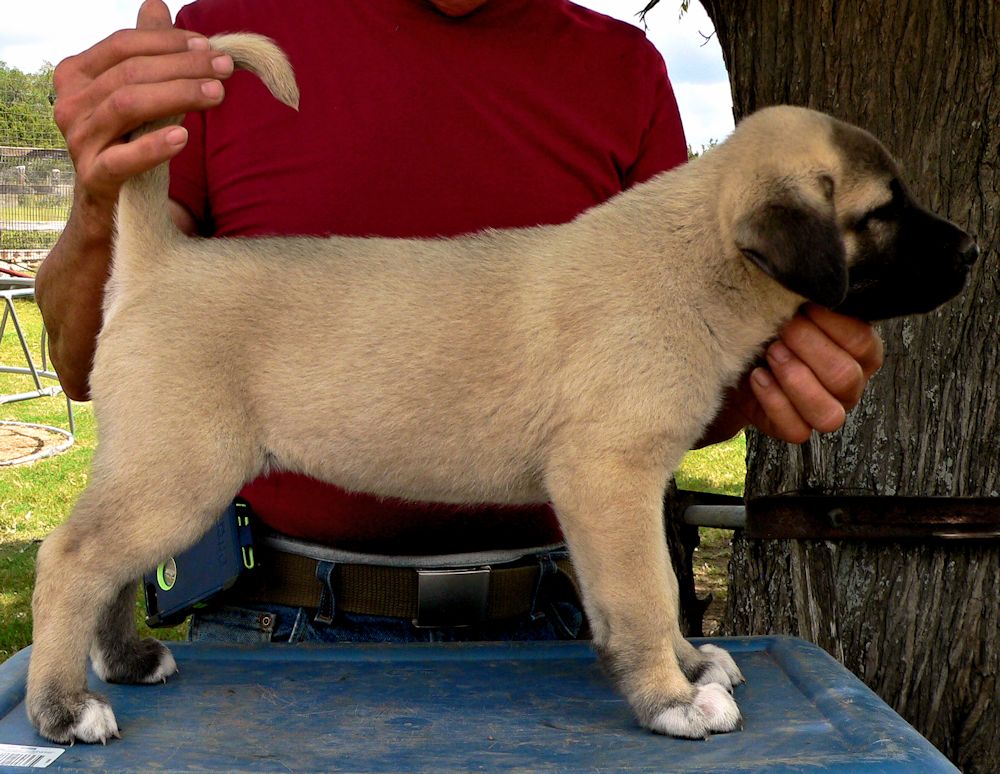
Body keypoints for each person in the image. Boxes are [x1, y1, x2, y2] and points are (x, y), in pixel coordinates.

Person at [36, 0, 883, 643]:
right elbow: (84, 361)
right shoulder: (223, 34)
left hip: (563, 619)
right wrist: (98, 196)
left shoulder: (623, 67)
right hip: (278, 623)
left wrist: (768, 373)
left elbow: (642, 403)